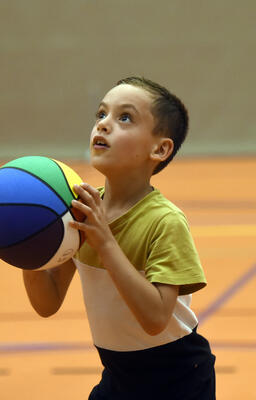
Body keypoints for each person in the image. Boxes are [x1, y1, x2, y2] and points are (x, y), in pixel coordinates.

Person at [23, 77, 216, 399]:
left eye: (124, 118)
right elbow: (47, 302)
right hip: (118, 376)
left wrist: (105, 242)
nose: (104, 125)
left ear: (160, 148)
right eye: (101, 114)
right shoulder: (81, 212)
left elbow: (155, 319)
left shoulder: (164, 221)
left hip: (178, 379)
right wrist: (28, 249)